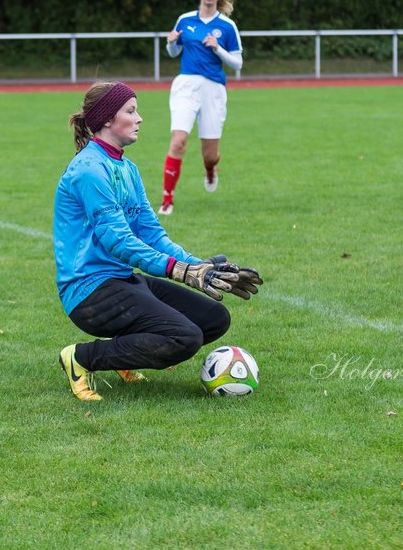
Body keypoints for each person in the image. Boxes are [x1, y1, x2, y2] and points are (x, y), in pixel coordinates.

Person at [53, 80, 263, 401]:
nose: (139, 119)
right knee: (184, 338)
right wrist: (180, 271)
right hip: (90, 292)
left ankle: (123, 357)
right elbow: (119, 242)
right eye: (131, 111)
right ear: (109, 119)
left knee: (214, 319)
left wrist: (199, 266)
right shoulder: (89, 171)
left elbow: (152, 234)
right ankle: (81, 357)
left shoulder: (128, 168)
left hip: (123, 281)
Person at [158, 0, 246, 216]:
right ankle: (167, 200)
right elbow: (174, 52)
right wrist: (171, 43)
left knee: (210, 153)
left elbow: (237, 64)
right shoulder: (184, 20)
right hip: (186, 84)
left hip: (213, 89)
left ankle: (210, 169)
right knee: (178, 141)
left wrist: (217, 48)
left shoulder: (227, 27)